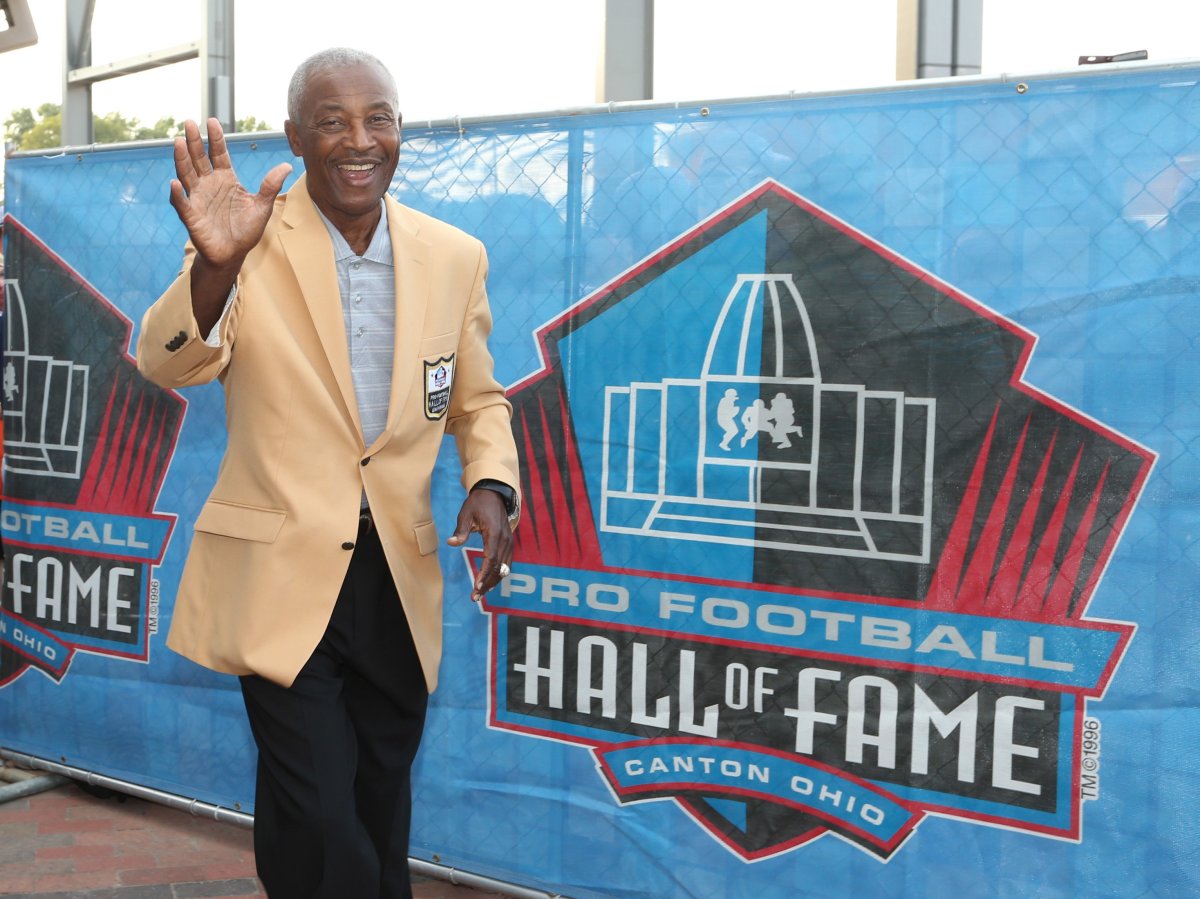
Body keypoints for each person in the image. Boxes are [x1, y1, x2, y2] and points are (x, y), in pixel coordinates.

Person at [136, 48, 520, 899]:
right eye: (332, 121)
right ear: (294, 137)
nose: (359, 140)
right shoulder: (250, 239)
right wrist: (216, 266)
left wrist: (491, 481)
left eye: (378, 118)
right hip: (280, 571)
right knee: (317, 812)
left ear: (399, 130)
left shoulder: (454, 255)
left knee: (378, 801)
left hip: (398, 576)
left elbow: (477, 398)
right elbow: (165, 361)